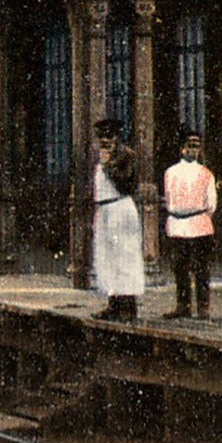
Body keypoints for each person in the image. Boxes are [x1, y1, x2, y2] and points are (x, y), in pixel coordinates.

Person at [91, 118, 144, 322]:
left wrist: (108, 164)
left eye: (109, 136)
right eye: (102, 137)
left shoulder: (126, 156)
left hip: (120, 208)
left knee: (125, 257)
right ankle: (113, 304)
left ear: (117, 137)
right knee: (107, 258)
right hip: (104, 210)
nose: (105, 141)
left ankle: (128, 307)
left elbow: (126, 184)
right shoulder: (100, 158)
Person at [161, 128, 217, 320]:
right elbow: (169, 198)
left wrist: (196, 215)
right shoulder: (170, 172)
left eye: (196, 146)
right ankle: (182, 305)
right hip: (177, 225)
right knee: (180, 269)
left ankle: (203, 307)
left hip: (199, 224)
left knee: (201, 270)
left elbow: (211, 204)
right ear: (181, 148)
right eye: (189, 145)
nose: (193, 150)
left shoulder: (206, 174)